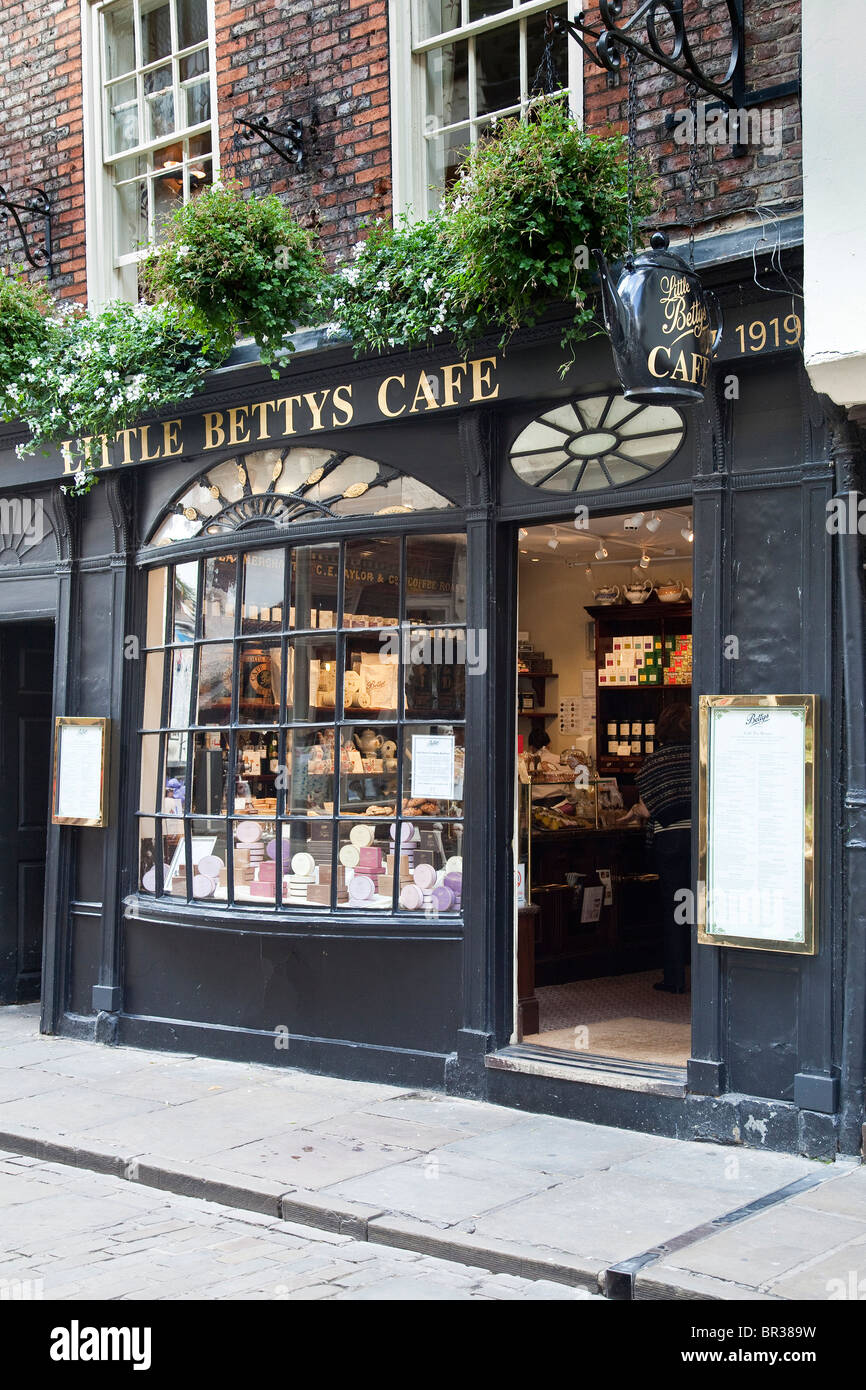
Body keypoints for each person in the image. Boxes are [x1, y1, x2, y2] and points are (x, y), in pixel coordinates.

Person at [620, 702, 692, 993]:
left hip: (670, 841)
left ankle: (675, 978)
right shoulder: (702, 754)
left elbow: (648, 809)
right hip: (703, 840)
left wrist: (632, 813)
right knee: (702, 908)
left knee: (675, 909)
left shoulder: (656, 761)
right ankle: (707, 975)